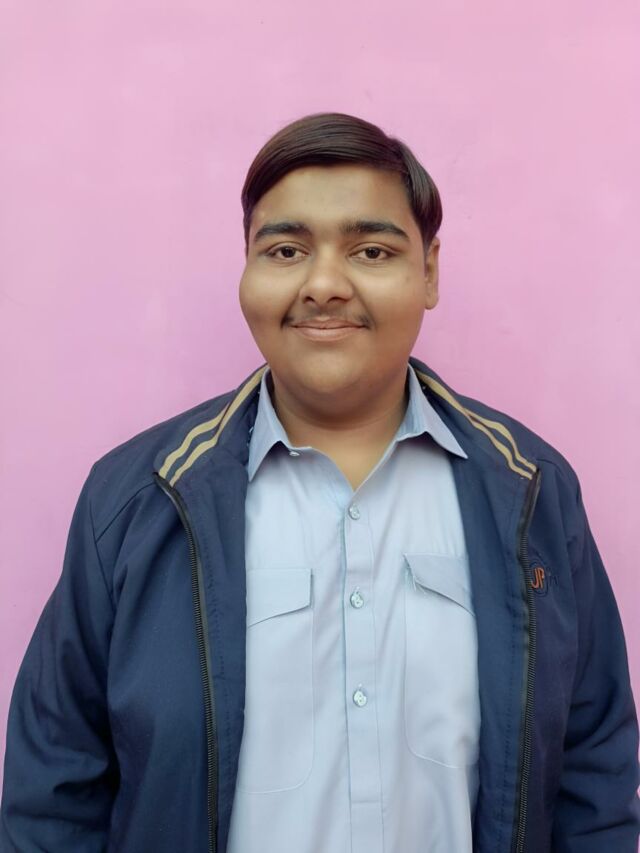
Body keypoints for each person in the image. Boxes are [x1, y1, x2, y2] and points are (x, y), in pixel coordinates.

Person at [1, 112, 638, 853]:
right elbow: (54, 786)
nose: (325, 285)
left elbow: (593, 771)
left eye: (371, 250)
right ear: (247, 268)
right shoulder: (136, 499)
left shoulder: (530, 492)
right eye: (286, 250)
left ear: (429, 271)